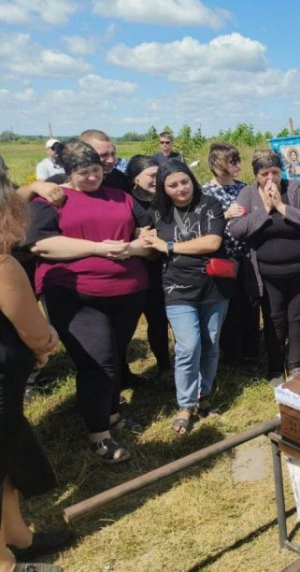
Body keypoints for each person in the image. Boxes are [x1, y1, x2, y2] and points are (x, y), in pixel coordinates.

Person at [26, 141, 152, 463]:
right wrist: (98, 248)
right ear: (69, 172)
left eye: (97, 170)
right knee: (98, 362)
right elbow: (41, 245)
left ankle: (111, 415)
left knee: (114, 354)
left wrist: (133, 247)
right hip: (75, 294)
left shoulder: (121, 196)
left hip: (127, 291)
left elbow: (147, 233)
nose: (93, 178)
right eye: (84, 173)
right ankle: (99, 435)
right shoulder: (52, 199)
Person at [0, 170, 73, 572]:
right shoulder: (2, 264)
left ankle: (17, 537)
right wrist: (43, 345)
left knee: (7, 461)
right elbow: (35, 331)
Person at [143, 160, 233, 435]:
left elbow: (212, 242)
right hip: (177, 289)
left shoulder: (210, 204)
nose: (181, 188)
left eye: (185, 182)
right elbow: (146, 242)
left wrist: (168, 246)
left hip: (214, 287)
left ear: (192, 180)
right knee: (188, 346)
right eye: (173, 185)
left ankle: (203, 396)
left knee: (210, 342)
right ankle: (185, 404)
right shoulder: (156, 213)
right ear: (164, 188)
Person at [229, 149, 300, 385]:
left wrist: (282, 207)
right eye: (264, 174)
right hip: (267, 274)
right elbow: (237, 230)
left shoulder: (294, 189)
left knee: (297, 318)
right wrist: (266, 209)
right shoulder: (248, 194)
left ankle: (297, 364)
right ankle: (275, 368)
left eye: (275, 172)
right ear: (256, 175)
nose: (271, 178)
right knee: (274, 320)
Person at [202, 142, 260, 365]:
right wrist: (225, 216)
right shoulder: (206, 192)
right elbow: (201, 226)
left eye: (237, 160)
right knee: (230, 304)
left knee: (251, 300)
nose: (238, 165)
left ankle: (252, 349)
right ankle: (233, 353)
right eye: (232, 161)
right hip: (224, 256)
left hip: (247, 254)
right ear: (219, 164)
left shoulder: (243, 188)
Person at [127, 155, 171, 375]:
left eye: (159, 175)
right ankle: (162, 364)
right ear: (136, 178)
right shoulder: (127, 203)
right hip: (141, 269)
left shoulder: (166, 197)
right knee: (153, 319)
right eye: (151, 176)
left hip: (169, 266)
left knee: (169, 317)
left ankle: (176, 362)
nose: (157, 180)